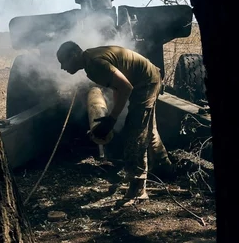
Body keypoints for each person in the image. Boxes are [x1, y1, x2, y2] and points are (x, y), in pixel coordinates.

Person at [56, 41, 174, 202]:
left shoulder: (95, 64)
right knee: (146, 127)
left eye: (63, 61)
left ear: (75, 54)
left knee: (135, 133)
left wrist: (112, 119)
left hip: (146, 82)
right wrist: (112, 116)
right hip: (147, 77)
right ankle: (165, 167)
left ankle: (138, 188)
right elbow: (118, 88)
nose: (62, 67)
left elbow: (126, 87)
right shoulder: (90, 61)